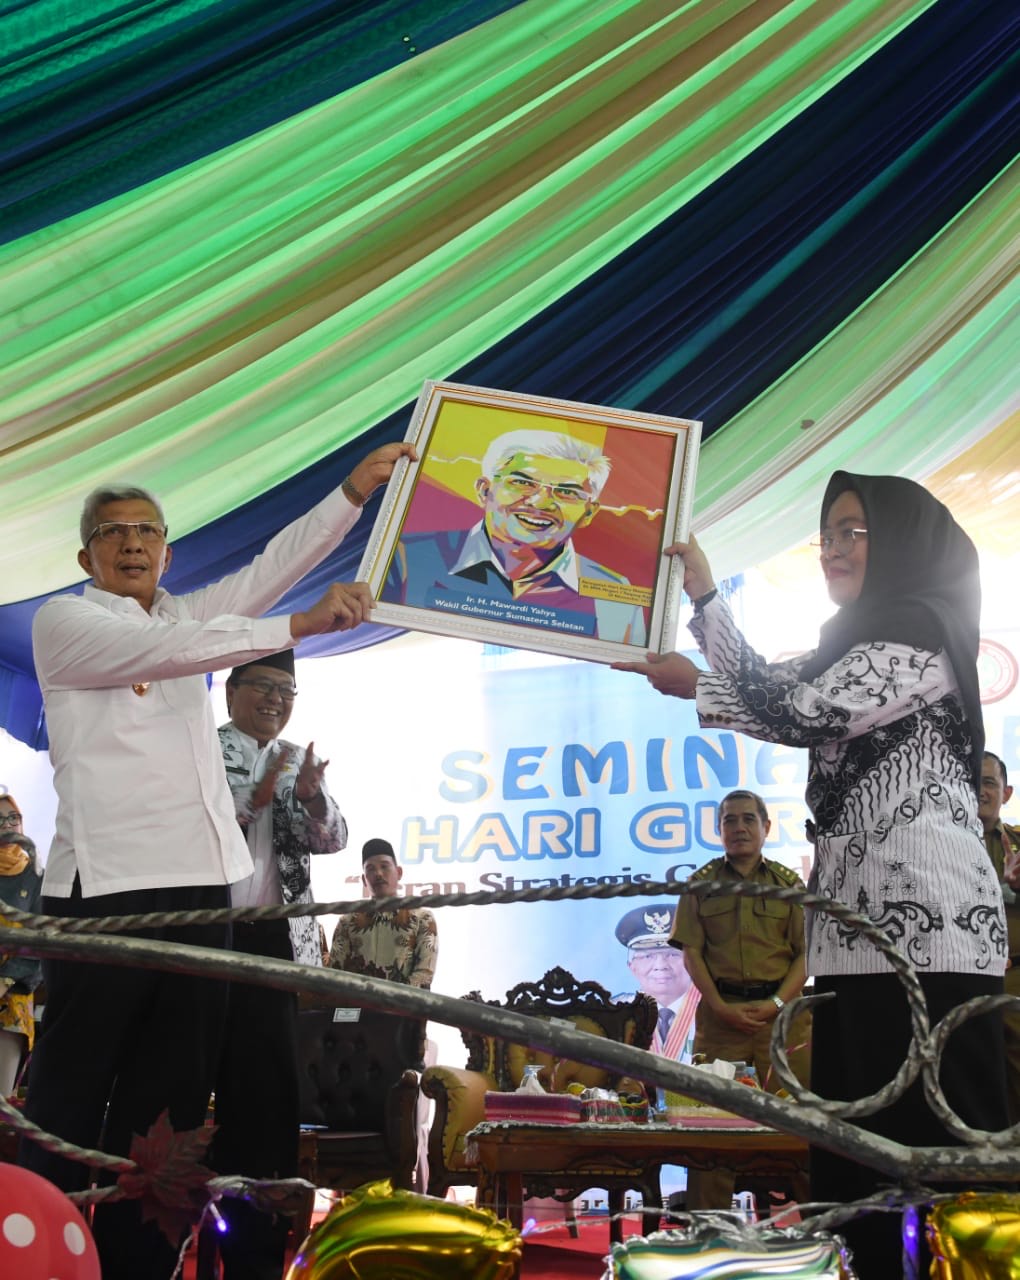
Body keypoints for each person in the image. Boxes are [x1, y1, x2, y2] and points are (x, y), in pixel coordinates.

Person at [22, 442, 414, 1280]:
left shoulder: (181, 619)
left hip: (205, 892)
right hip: (105, 893)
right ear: (86, 556)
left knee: (168, 1100)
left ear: (167, 552)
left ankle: (135, 1261)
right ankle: (38, 1250)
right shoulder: (64, 622)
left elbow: (270, 569)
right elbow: (170, 654)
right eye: (113, 532)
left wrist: (352, 493)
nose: (132, 543)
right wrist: (299, 626)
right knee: (70, 1089)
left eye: (148, 531)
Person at [615, 471, 1008, 1273]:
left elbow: (804, 710)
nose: (833, 549)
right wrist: (703, 594)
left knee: (941, 1151)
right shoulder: (853, 643)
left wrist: (700, 685)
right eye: (827, 535)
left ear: (902, 542)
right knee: (856, 1149)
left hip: (931, 937)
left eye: (853, 532)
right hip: (855, 936)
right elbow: (775, 682)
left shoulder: (923, 632)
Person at [213, 649, 347, 1279]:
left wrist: (312, 799)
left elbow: (335, 838)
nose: (275, 700)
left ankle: (259, 1255)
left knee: (267, 1097)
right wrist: (263, 791)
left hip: (275, 940)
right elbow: (208, 818)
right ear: (231, 691)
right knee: (188, 1081)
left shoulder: (297, 757)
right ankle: (178, 1235)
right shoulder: (203, 747)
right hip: (206, 933)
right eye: (264, 687)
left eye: (286, 691)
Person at [670, 790, 810, 1210]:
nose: (739, 828)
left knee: (800, 1125)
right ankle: (708, 1226)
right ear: (719, 830)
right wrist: (719, 1007)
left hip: (782, 1022)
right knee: (711, 1128)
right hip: (720, 1020)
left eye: (749, 819)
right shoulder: (701, 884)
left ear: (766, 827)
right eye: (729, 820)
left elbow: (807, 955)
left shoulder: (789, 885)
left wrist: (776, 1005)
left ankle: (814, 1228)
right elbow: (691, 952)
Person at [383, 429, 647, 643]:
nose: (540, 503)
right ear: (484, 490)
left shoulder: (614, 594)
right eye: (522, 483)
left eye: (567, 492)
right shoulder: (404, 559)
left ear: (588, 513)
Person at [328, 838, 437, 987]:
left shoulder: (422, 919)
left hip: (404, 1001)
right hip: (356, 1000)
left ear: (399, 872)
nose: (378, 873)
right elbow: (335, 973)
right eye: (371, 869)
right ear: (364, 880)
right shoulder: (347, 922)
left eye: (384, 866)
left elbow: (424, 974)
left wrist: (392, 998)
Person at [978, 751, 1020, 1123]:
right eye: (972, 781)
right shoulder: (935, 849)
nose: (980, 790)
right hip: (959, 982)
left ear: (1006, 793)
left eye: (989, 782)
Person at [615, 903, 700, 1062]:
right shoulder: (614, 1013)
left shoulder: (716, 1012)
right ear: (632, 966)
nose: (661, 966)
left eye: (673, 955)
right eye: (648, 956)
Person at [0, 795, 42, 1098]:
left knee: (2, 1099)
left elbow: (40, 940)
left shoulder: (37, 874)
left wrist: (4, 981)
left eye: (13, 817)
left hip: (13, 992)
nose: (7, 825)